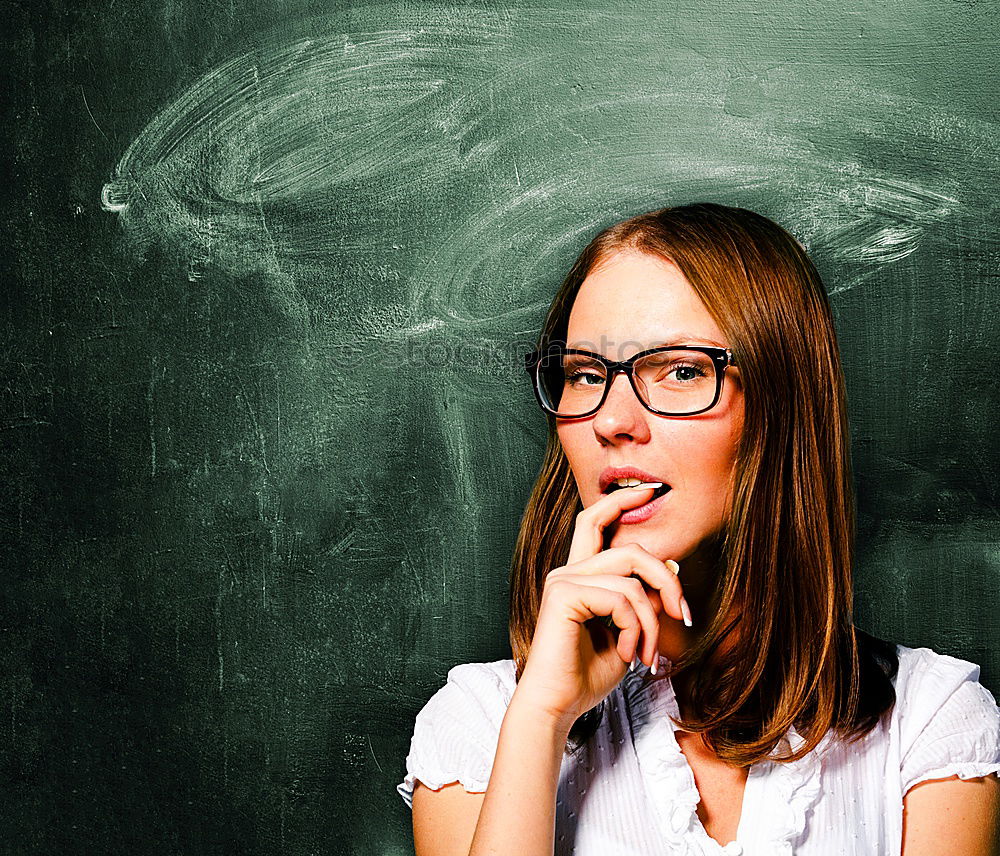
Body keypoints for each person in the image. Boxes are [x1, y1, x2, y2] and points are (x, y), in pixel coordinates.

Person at [395, 202, 1000, 855]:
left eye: (680, 370)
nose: (611, 421)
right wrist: (541, 719)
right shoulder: (481, 725)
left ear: (781, 406)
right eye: (584, 374)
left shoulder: (928, 722)